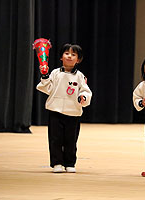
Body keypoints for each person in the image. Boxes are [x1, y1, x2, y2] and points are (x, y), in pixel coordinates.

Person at [37, 44, 92, 173]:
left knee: (71, 140)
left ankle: (69, 163)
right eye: (67, 53)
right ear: (61, 57)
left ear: (78, 60)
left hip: (73, 113)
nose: (69, 56)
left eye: (73, 55)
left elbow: (85, 91)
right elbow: (48, 89)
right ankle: (57, 163)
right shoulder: (55, 73)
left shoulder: (80, 76)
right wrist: (45, 76)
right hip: (55, 111)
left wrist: (83, 97)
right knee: (55, 139)